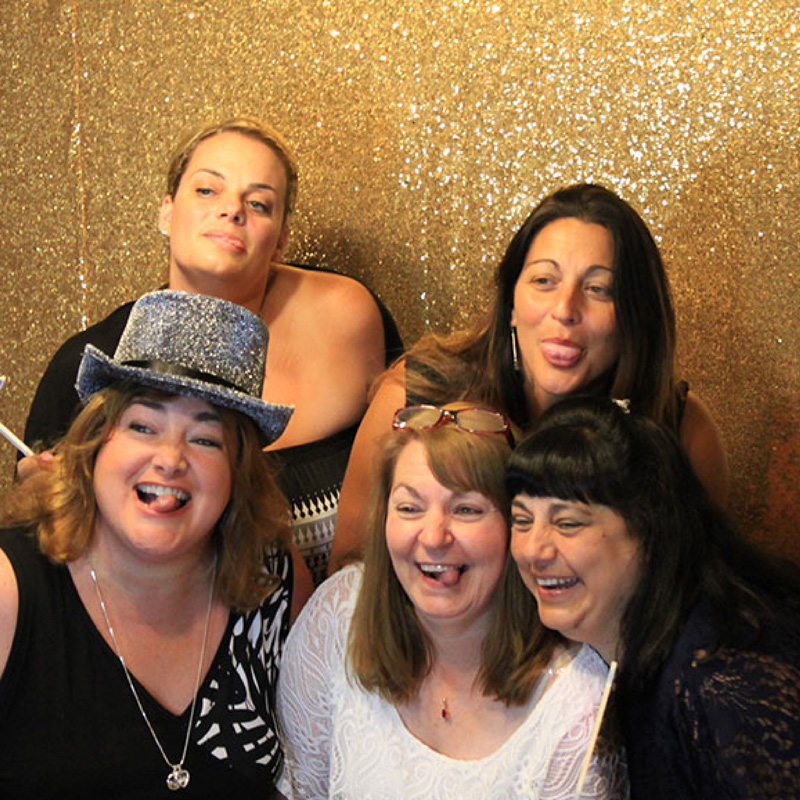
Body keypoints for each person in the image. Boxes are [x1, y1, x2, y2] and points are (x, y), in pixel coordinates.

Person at [21, 116, 403, 587]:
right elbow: (48, 549)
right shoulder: (91, 362)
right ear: (166, 212)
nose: (232, 210)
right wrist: (44, 500)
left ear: (282, 236)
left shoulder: (348, 316)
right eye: (207, 191)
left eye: (259, 203)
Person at [330, 182, 727, 572]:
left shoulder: (680, 427)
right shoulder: (417, 396)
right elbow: (350, 572)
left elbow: (701, 596)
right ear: (511, 305)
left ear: (635, 317)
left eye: (599, 288)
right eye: (544, 281)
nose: (565, 309)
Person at [0, 291, 298, 798]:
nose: (170, 459)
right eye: (142, 426)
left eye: (205, 440)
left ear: (238, 475)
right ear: (93, 444)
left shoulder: (269, 586)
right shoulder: (10, 591)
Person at [277, 403, 628, 799]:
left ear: (516, 527)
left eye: (466, 509)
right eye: (410, 508)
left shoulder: (576, 709)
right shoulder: (337, 616)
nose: (433, 537)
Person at [505, 396, 800, 800]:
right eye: (522, 520)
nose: (533, 549)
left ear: (648, 531)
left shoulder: (719, 685)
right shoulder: (612, 657)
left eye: (567, 523)